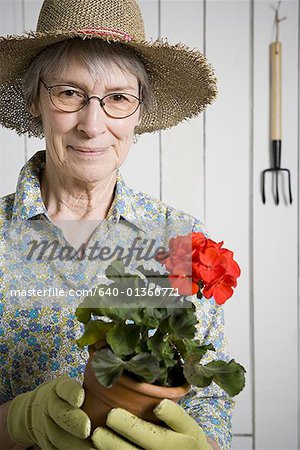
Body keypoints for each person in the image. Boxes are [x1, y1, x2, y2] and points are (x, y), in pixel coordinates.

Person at [0, 0, 235, 449]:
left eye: (119, 99)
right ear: (35, 100)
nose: (93, 124)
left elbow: (209, 398)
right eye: (69, 93)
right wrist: (17, 421)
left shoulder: (178, 236)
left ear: (140, 112)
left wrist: (206, 446)